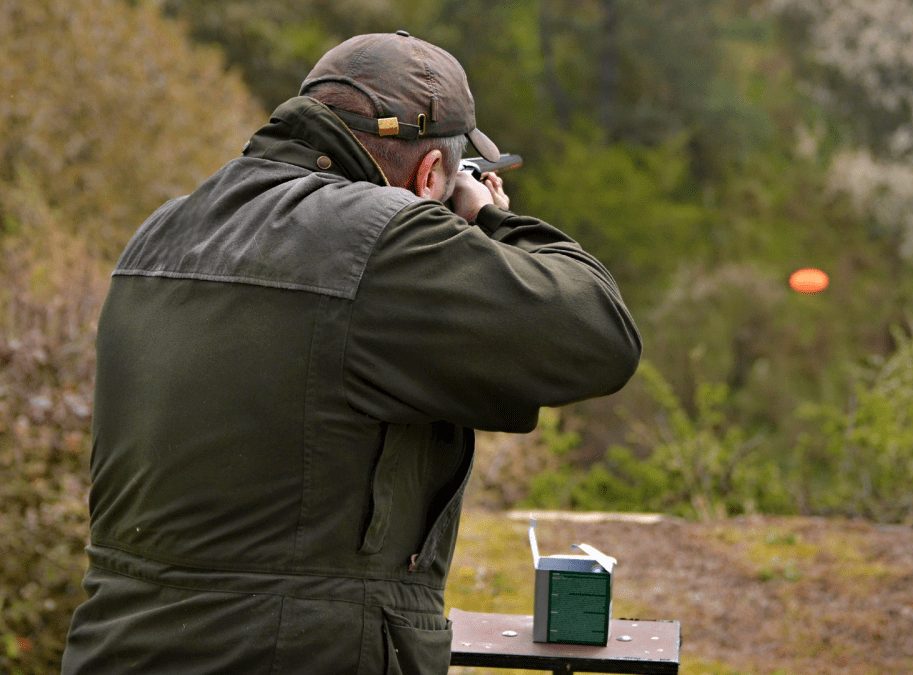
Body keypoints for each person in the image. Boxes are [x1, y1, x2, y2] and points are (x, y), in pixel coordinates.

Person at [61, 31, 641, 675]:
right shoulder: (383, 244)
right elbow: (599, 334)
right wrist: (487, 219)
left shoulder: (161, 231)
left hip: (116, 649)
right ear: (429, 174)